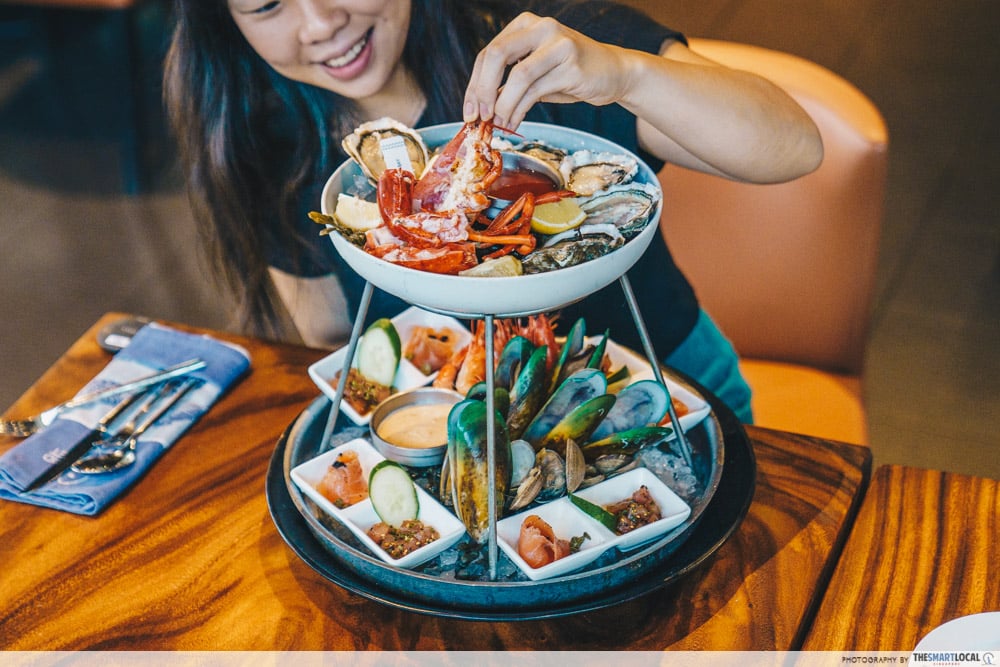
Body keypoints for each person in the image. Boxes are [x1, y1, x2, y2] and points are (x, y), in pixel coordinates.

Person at [164, 0, 823, 423]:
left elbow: (795, 147)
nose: (318, 23)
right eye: (266, 4)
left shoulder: (543, 45)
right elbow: (331, 335)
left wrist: (627, 74)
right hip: (467, 434)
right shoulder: (260, 143)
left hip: (674, 396)